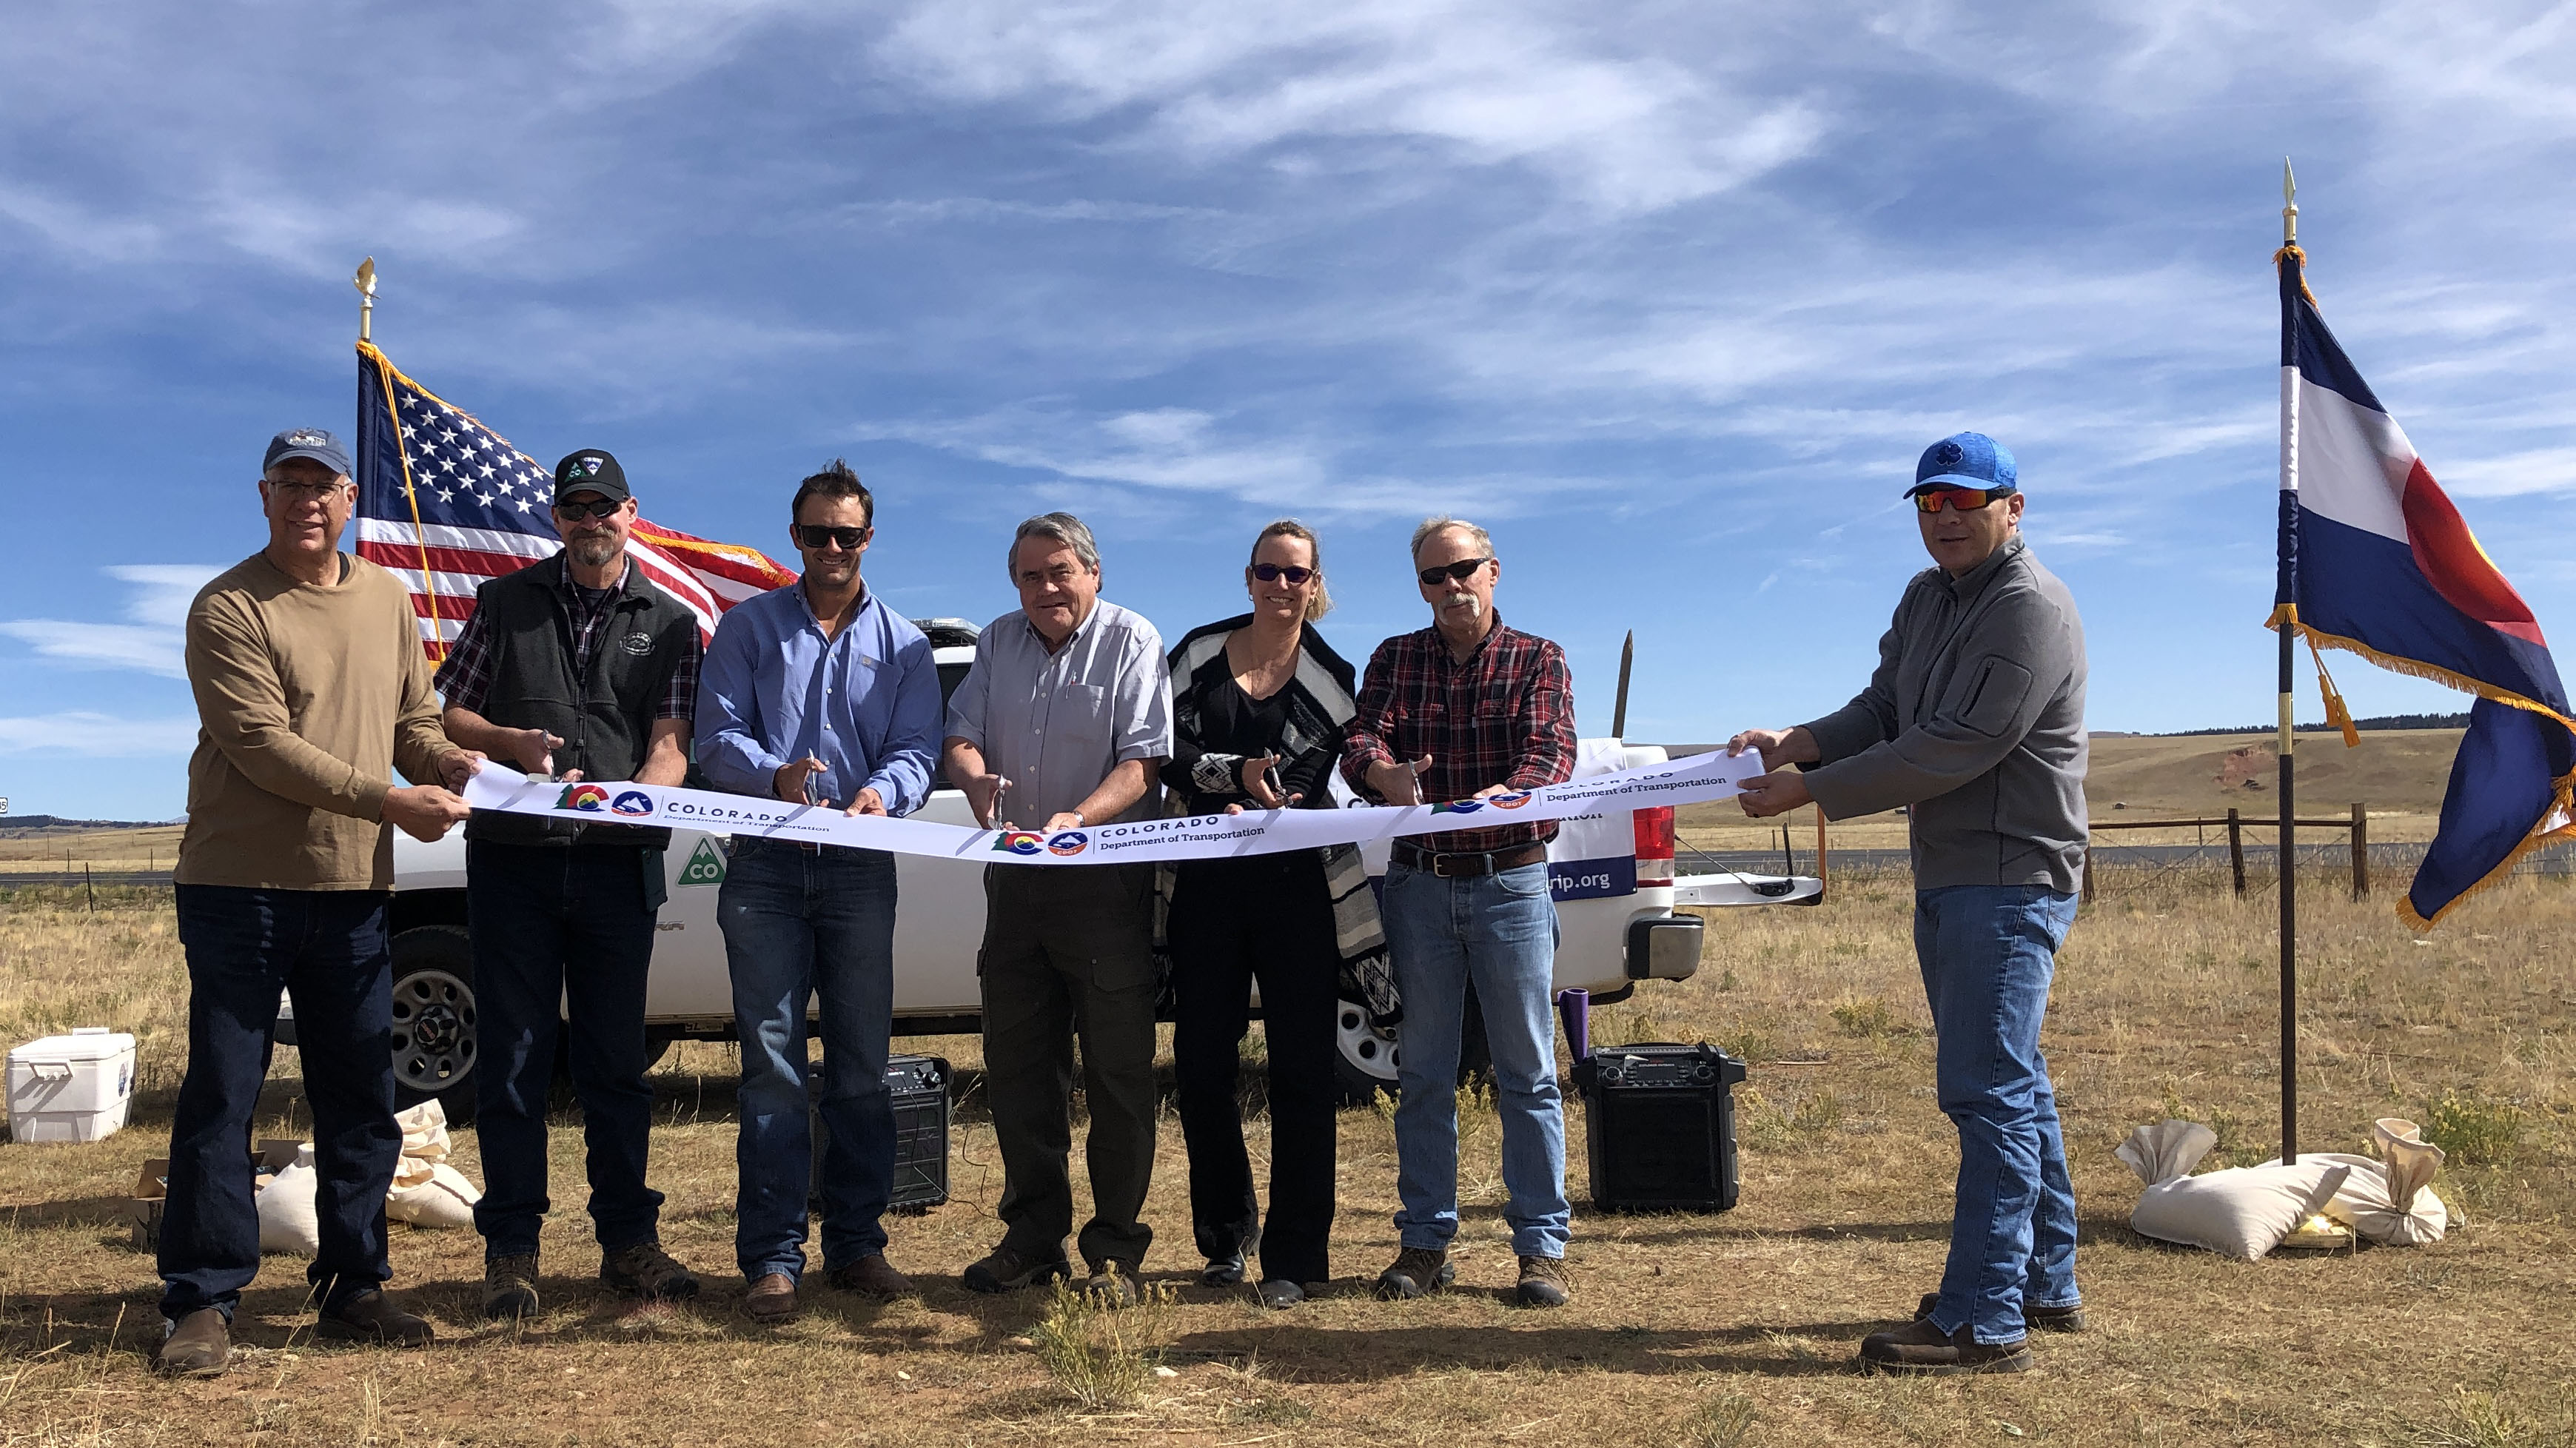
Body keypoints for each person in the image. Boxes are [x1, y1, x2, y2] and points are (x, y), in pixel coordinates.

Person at [1728, 431, 2088, 1376]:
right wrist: (1797, 741)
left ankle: (1982, 1319)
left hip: (2009, 878)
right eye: (1930, 503)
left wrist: (1809, 791)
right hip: (1956, 872)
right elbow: (1887, 709)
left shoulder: (2030, 609)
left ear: (2014, 507)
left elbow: (1957, 742)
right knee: (2014, 1081)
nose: (1946, 519)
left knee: (1989, 1092)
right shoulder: (1929, 598)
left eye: (1966, 501)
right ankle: (2040, 1280)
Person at [155, 429, 475, 1376]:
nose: (307, 500)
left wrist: (457, 763)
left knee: (361, 1096)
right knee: (223, 1091)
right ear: (263, 497)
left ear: (347, 501)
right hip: (237, 887)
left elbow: (412, 722)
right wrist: (388, 799)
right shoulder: (227, 606)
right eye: (288, 484)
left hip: (353, 890)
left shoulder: (388, 598)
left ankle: (353, 1284)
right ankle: (203, 1300)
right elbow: (258, 743)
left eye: (323, 486)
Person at [433, 448, 705, 1318]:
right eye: (575, 508)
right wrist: (509, 743)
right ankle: (512, 1250)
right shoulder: (505, 603)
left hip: (615, 867)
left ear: (633, 513)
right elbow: (452, 712)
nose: (591, 522)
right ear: (556, 518)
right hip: (513, 861)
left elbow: (670, 742)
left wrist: (645, 801)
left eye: (606, 508)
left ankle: (629, 1244)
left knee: (616, 1065)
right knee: (513, 1062)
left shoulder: (670, 623)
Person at [696, 460, 942, 1321]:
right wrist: (776, 775)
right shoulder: (748, 627)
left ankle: (858, 1245)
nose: (831, 547)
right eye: (815, 533)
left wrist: (889, 791)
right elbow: (713, 735)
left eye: (847, 533)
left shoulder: (906, 645)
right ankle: (771, 1257)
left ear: (868, 539)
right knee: (770, 1066)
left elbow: (919, 748)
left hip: (859, 865)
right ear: (793, 535)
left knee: (862, 1064)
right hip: (763, 859)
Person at [1343, 516, 1577, 1309]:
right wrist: (1383, 774)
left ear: (1494, 572)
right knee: (1423, 1073)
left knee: (1528, 1073)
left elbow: (1551, 755)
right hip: (1420, 884)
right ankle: (1425, 1242)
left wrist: (1499, 797)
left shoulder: (1538, 658)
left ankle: (1541, 1248)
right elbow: (1360, 739)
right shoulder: (1394, 657)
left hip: (1511, 881)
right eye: (1434, 577)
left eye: (1463, 570)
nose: (1451, 588)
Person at [942, 512, 1171, 1306]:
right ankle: (1033, 1240)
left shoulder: (1133, 639)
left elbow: (1144, 763)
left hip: (1104, 884)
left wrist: (1080, 818)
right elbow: (962, 735)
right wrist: (972, 777)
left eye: (1060, 571)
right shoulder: (997, 642)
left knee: (1116, 1074)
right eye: (1031, 575)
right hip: (1014, 887)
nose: (1046, 588)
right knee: (1018, 1071)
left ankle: (1115, 1254)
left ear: (1094, 574)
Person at [1161, 520, 1366, 1310]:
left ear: (1315, 584)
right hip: (1205, 888)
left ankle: (1296, 1252)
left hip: (1298, 889)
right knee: (1203, 1069)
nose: (1282, 587)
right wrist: (1230, 772)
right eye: (1268, 572)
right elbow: (1159, 750)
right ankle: (1222, 1241)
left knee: (1303, 1076)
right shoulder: (1196, 655)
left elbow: (1324, 775)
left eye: (1297, 575)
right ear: (1247, 578)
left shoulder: (1334, 674)